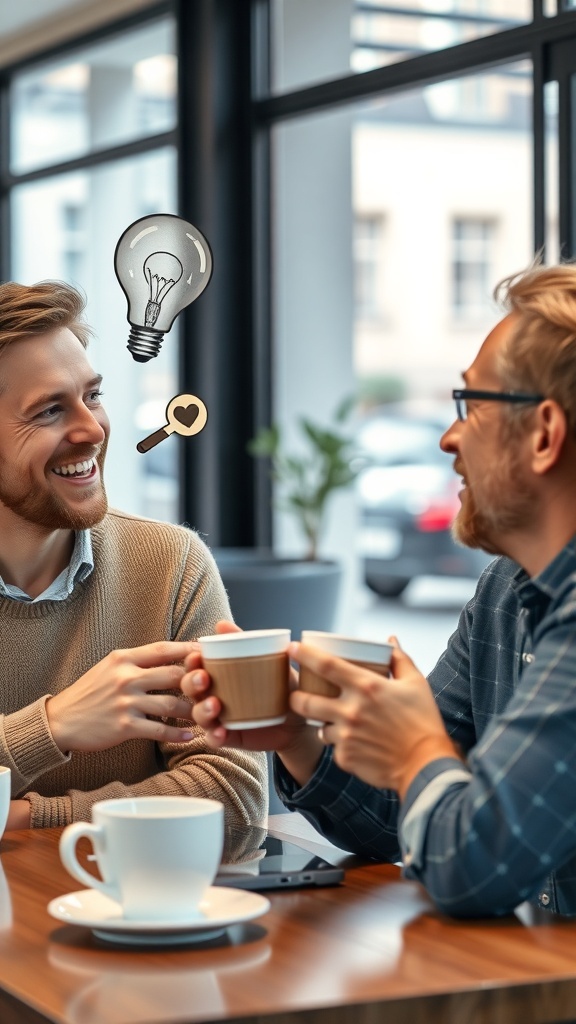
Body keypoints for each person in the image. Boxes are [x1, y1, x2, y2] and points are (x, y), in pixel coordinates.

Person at [187, 261, 576, 918]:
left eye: (470, 406)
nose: (449, 437)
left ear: (542, 435)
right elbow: (415, 817)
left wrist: (418, 744)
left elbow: (472, 865)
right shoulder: (506, 594)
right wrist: (298, 739)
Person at [0, 280, 266, 831]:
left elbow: (234, 797)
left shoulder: (171, 564)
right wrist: (52, 726)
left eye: (91, 395)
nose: (92, 428)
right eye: (50, 410)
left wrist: (27, 817)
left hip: (134, 907)